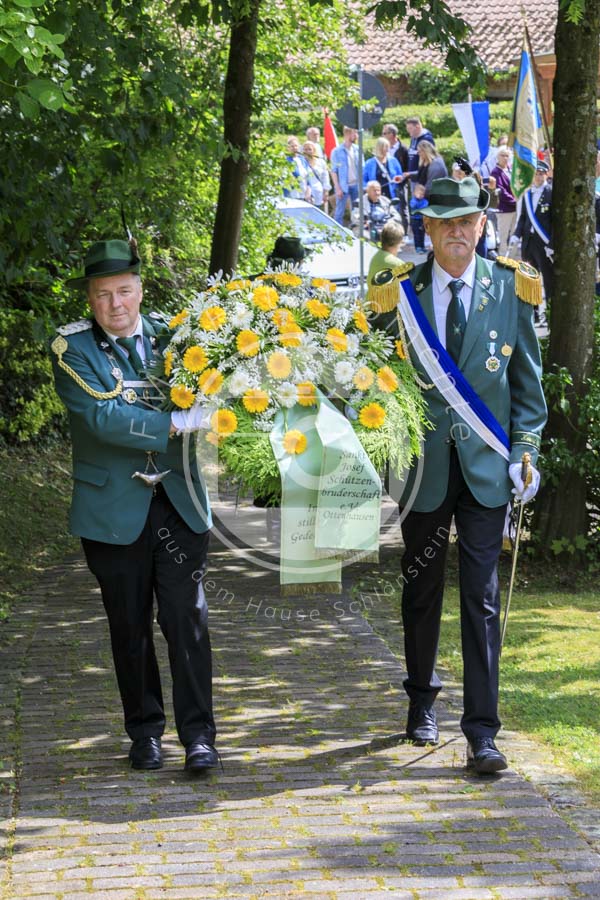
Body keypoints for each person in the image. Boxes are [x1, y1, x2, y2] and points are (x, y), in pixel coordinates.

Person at [368, 178, 547, 774]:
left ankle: (482, 733)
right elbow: (374, 382)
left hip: (487, 471)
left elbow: (528, 391)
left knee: (482, 597)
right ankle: (421, 701)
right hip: (423, 470)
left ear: (482, 225)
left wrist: (524, 452)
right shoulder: (400, 293)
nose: (456, 232)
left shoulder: (511, 288)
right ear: (427, 228)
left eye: (466, 221)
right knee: (421, 591)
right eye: (445, 222)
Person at [50, 238, 218, 774]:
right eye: (103, 295)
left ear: (140, 290)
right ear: (90, 299)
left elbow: (216, 390)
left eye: (124, 291)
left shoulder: (179, 337)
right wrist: (174, 422)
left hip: (178, 500)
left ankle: (199, 738)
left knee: (186, 618)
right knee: (129, 625)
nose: (115, 304)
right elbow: (101, 419)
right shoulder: (71, 349)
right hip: (112, 509)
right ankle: (145, 733)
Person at [510, 160, 553, 323]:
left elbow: (555, 222)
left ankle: (549, 314)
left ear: (546, 175)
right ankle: (533, 313)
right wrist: (516, 234)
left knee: (548, 280)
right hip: (528, 243)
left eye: (541, 174)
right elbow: (523, 218)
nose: (538, 177)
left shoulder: (551, 193)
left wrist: (552, 244)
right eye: (536, 174)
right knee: (530, 279)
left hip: (544, 244)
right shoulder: (527, 193)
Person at [330, 126, 362, 224]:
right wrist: (337, 188)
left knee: (356, 211)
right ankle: (337, 231)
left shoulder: (357, 149)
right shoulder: (337, 151)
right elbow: (334, 171)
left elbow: (362, 168)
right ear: (347, 134)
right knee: (339, 212)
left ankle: (355, 229)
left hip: (356, 185)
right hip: (343, 186)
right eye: (354, 133)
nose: (356, 136)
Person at [491, 147, 517, 255]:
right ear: (497, 157)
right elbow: (501, 191)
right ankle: (502, 258)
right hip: (504, 209)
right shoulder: (495, 172)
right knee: (503, 235)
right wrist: (515, 201)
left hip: (515, 209)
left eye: (507, 155)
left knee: (515, 235)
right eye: (502, 155)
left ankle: (513, 258)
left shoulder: (511, 170)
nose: (505, 158)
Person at [405, 116, 435, 185]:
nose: (408, 131)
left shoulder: (427, 139)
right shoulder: (413, 138)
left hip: (421, 177)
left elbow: (429, 158)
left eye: (410, 128)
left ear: (417, 126)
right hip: (413, 176)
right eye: (407, 128)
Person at [302, 140, 331, 210]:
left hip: (318, 192)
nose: (307, 151)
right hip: (305, 193)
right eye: (305, 149)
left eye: (309, 149)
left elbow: (325, 178)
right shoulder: (301, 162)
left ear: (314, 150)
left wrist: (326, 192)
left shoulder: (321, 162)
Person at [283, 136, 311, 201]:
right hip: (292, 194)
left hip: (304, 194)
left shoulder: (302, 160)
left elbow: (308, 176)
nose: (295, 148)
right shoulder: (286, 161)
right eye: (292, 146)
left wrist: (308, 189)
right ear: (288, 148)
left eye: (296, 146)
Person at [409, 182, 428, 253]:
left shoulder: (424, 201)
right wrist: (417, 201)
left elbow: (426, 206)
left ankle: (422, 246)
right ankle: (418, 247)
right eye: (419, 194)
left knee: (422, 234)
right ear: (414, 193)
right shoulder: (413, 201)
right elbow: (413, 205)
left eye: (422, 194)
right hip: (415, 220)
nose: (421, 196)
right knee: (416, 234)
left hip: (422, 219)